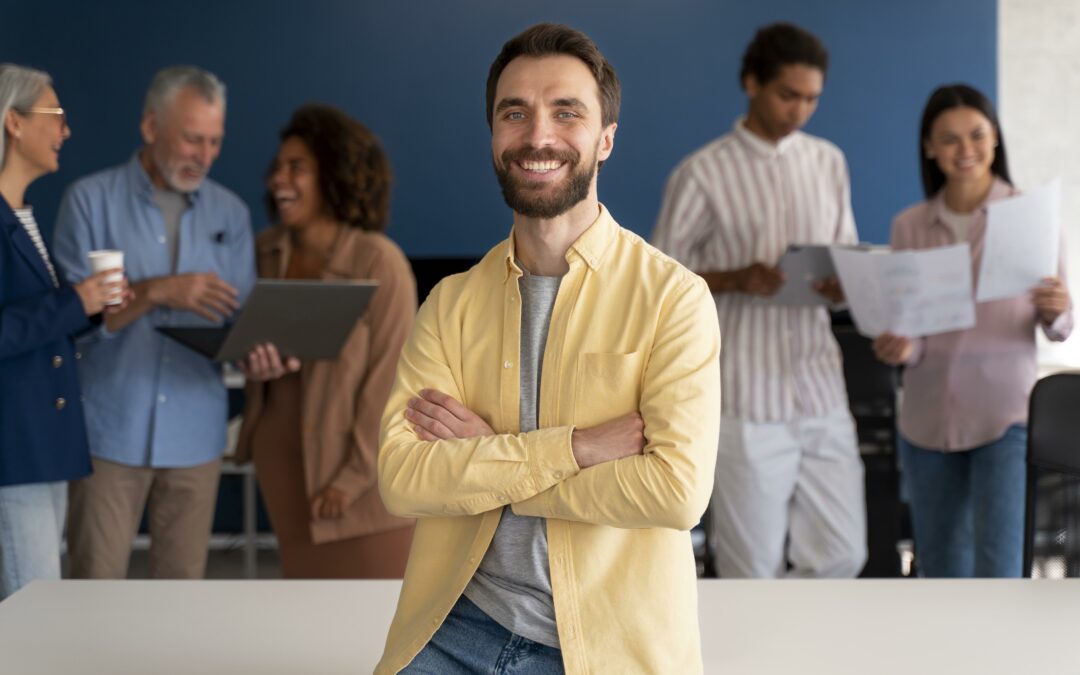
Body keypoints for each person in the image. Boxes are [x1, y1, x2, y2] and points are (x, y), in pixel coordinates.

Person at [373, 23, 720, 675]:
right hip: (453, 631)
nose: (537, 136)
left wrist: (492, 465)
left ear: (606, 138)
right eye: (515, 113)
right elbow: (401, 476)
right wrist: (577, 447)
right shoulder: (450, 303)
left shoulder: (674, 298)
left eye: (567, 112)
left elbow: (675, 491)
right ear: (494, 136)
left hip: (607, 648)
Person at [652, 22, 866, 579]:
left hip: (821, 388)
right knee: (753, 572)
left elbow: (843, 252)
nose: (800, 109)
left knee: (844, 554)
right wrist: (734, 278)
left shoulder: (829, 162)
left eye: (812, 98)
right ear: (752, 83)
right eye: (787, 94)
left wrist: (846, 283)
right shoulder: (701, 173)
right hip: (744, 398)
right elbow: (660, 284)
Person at [51, 66, 255, 580]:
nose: (204, 156)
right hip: (108, 432)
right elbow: (73, 320)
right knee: (93, 591)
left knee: (180, 602)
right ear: (149, 128)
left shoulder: (230, 213)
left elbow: (241, 318)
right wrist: (162, 290)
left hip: (196, 437)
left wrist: (261, 348)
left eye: (214, 141)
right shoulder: (88, 201)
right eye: (192, 139)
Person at [872, 84, 1072, 578]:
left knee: (1000, 567)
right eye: (950, 139)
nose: (966, 150)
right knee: (940, 569)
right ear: (929, 147)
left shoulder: (1032, 214)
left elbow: (1061, 327)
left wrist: (1060, 307)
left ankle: (1001, 658)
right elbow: (912, 329)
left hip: (1004, 418)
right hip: (926, 419)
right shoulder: (909, 226)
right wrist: (900, 346)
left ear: (996, 139)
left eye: (977, 135)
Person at [234, 104, 416, 578]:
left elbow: (392, 383)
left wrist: (353, 478)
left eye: (297, 168)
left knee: (377, 624)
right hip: (284, 465)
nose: (279, 179)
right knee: (304, 616)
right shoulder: (262, 253)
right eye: (277, 168)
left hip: (360, 479)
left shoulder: (379, 261)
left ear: (334, 175)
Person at [0, 64, 129, 599]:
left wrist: (90, 309)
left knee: (36, 606)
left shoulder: (23, 215)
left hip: (42, 449)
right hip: (15, 449)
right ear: (13, 122)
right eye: (55, 116)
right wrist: (74, 301)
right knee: (34, 613)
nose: (66, 131)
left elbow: (39, 327)